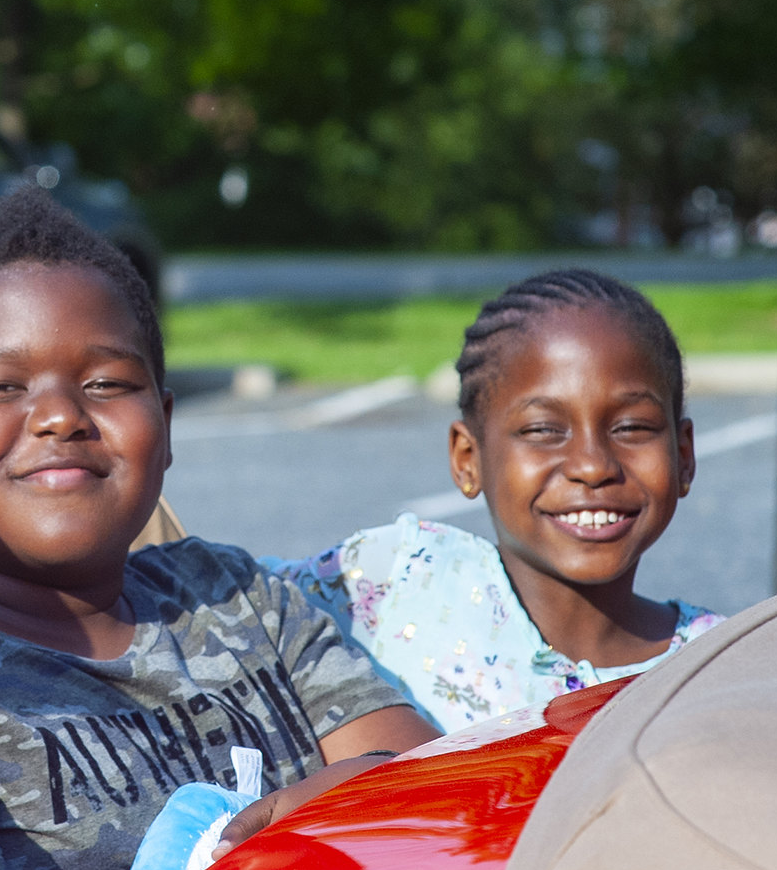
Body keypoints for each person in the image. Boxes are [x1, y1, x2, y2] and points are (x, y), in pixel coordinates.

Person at [0, 188, 439, 870]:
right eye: (1, 386)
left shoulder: (234, 594)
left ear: (162, 424)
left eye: (104, 384)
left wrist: (366, 788)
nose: (61, 415)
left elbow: (435, 797)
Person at [269, 270, 724, 737]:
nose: (592, 465)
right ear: (469, 459)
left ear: (684, 455)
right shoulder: (394, 580)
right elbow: (224, 600)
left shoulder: (725, 664)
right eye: (543, 430)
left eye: (632, 427)